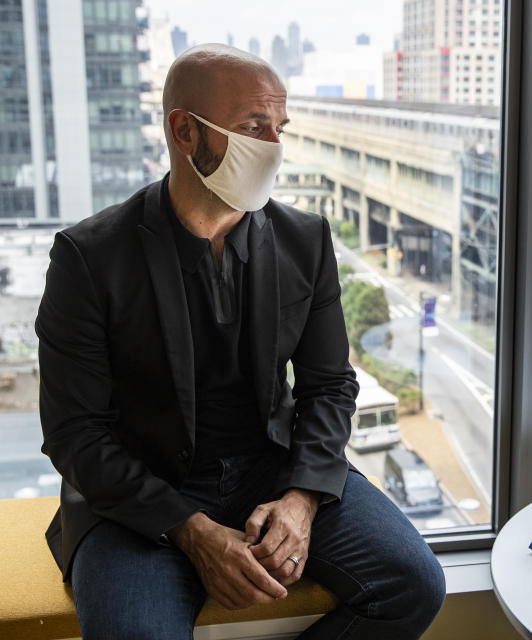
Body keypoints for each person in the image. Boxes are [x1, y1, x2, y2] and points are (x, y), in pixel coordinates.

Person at [35, 44, 445, 639]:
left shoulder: (306, 241)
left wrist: (302, 498)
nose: (274, 148)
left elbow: (329, 385)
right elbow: (75, 432)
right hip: (140, 495)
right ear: (184, 131)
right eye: (254, 128)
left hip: (272, 471)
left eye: (280, 129)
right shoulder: (90, 257)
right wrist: (191, 530)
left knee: (414, 584)